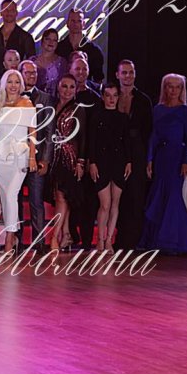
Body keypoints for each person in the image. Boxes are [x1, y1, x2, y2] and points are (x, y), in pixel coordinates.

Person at [139, 74, 187, 255]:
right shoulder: (157, 109)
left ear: (182, 89)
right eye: (170, 86)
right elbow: (153, 136)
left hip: (177, 158)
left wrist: (186, 162)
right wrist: (149, 159)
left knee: (173, 197)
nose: (173, 90)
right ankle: (156, 240)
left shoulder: (185, 111)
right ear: (164, 88)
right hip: (161, 158)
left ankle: (177, 241)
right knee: (158, 196)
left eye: (177, 87)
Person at [0, 69, 37, 255]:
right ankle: (13, 235)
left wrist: (32, 157)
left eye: (17, 82)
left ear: (21, 84)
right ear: (4, 84)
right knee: (4, 197)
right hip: (1, 155)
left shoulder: (27, 103)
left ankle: (9, 237)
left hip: (20, 155)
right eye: (10, 82)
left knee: (10, 195)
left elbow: (33, 132)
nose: (13, 85)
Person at [88, 82, 132, 254]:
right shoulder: (96, 116)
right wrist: (92, 163)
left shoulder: (123, 118)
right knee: (105, 204)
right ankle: (100, 239)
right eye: (108, 95)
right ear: (103, 97)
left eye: (114, 95)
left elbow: (126, 141)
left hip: (119, 163)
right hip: (101, 163)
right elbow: (92, 141)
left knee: (115, 203)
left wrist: (128, 162)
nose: (112, 99)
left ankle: (109, 240)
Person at [113, 60, 153, 251]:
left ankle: (134, 241)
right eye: (124, 72)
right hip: (115, 153)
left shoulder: (143, 100)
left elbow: (149, 131)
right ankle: (119, 239)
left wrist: (148, 159)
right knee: (117, 199)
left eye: (130, 72)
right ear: (117, 75)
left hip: (138, 153)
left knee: (136, 198)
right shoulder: (111, 96)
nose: (127, 76)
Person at [19, 60, 55, 248]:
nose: (31, 76)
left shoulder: (46, 98)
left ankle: (39, 242)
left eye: (34, 73)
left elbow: (49, 132)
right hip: (16, 157)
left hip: (38, 157)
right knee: (15, 200)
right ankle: (15, 241)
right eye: (27, 72)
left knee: (36, 201)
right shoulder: (12, 97)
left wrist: (45, 160)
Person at [49, 74, 87, 252]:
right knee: (61, 197)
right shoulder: (53, 106)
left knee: (62, 197)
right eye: (65, 86)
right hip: (54, 157)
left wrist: (80, 162)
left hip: (69, 158)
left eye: (72, 87)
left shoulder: (78, 109)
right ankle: (66, 234)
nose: (68, 90)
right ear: (58, 87)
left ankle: (55, 237)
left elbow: (83, 137)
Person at [70, 56, 101, 249]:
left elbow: (94, 131)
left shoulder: (94, 98)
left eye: (84, 69)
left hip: (87, 154)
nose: (80, 72)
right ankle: (72, 236)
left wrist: (89, 157)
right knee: (71, 198)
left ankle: (87, 240)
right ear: (71, 70)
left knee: (88, 199)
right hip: (67, 155)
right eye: (77, 69)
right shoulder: (65, 94)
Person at [55, 9, 104, 84]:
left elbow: (98, 80)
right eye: (73, 21)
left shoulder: (94, 50)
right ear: (67, 23)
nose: (75, 24)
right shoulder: (58, 48)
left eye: (79, 21)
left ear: (83, 24)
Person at [0, 0, 36, 77]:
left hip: (17, 79)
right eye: (6, 10)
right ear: (1, 13)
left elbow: (30, 61)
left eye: (12, 10)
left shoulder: (25, 37)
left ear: (16, 13)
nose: (9, 13)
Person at [32, 28, 66, 96]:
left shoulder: (62, 62)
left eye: (54, 40)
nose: (51, 42)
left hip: (55, 99)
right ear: (42, 41)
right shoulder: (32, 61)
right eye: (48, 39)